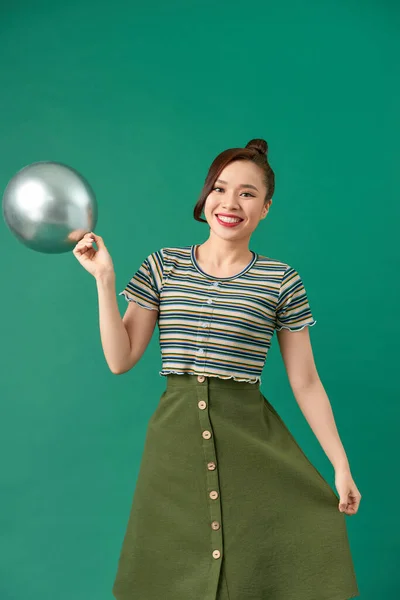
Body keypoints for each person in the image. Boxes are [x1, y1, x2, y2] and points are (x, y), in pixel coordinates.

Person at [73, 138, 361, 600]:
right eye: (220, 189)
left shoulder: (280, 280)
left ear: (266, 208)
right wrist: (105, 280)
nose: (230, 203)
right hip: (174, 451)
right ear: (205, 196)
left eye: (247, 193)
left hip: (251, 443)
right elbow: (120, 359)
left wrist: (340, 464)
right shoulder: (162, 266)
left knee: (264, 569)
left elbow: (305, 382)